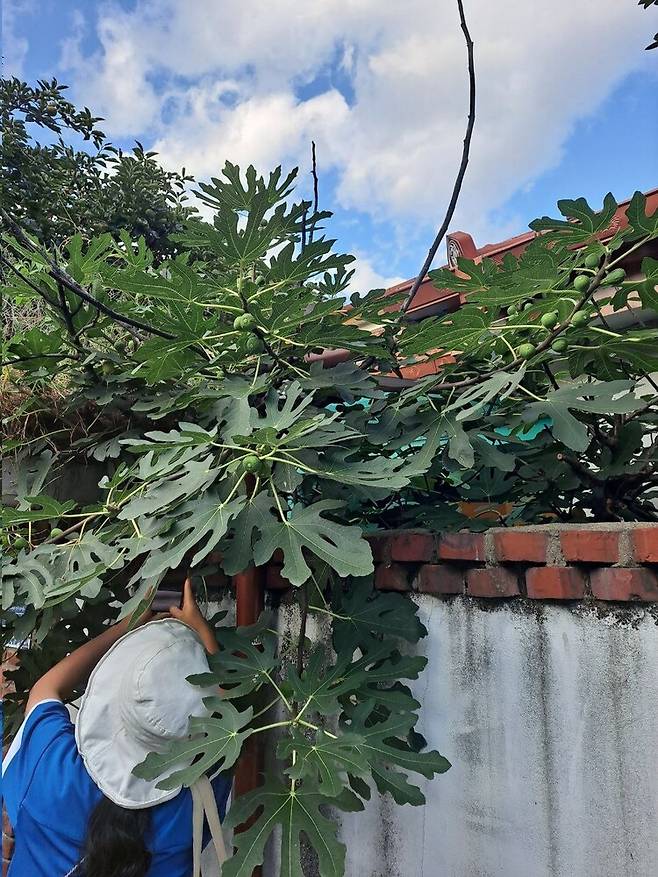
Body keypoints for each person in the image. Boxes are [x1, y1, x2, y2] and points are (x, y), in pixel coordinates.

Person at [2, 578, 231, 877]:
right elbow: (232, 727)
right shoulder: (193, 807)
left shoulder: (51, 767)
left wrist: (127, 625)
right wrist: (203, 633)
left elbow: (47, 689)